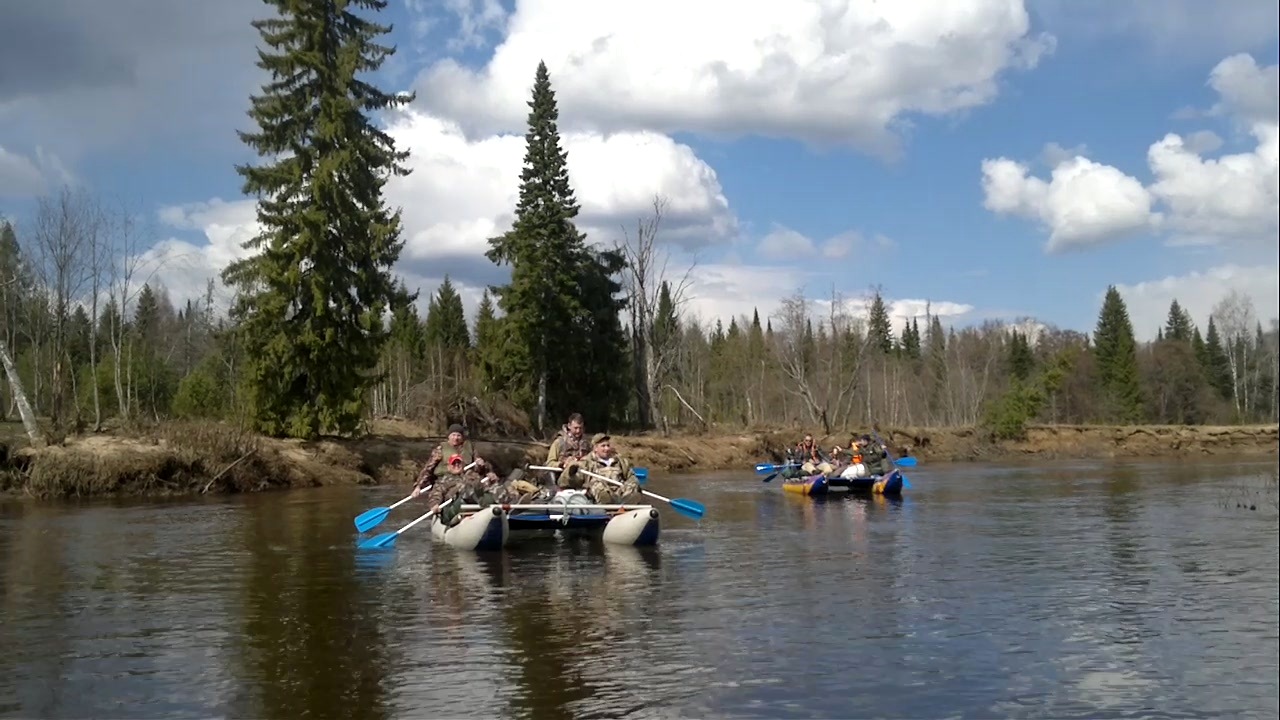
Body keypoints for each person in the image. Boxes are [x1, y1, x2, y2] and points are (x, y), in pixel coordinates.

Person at [559, 433, 643, 506]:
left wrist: (631, 483)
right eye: (603, 446)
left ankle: (626, 505)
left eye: (608, 445)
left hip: (620, 492)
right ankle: (608, 506)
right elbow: (568, 481)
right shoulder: (586, 462)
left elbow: (630, 475)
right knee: (597, 484)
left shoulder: (619, 460)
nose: (606, 449)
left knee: (634, 483)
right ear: (595, 448)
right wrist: (571, 472)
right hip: (600, 493)